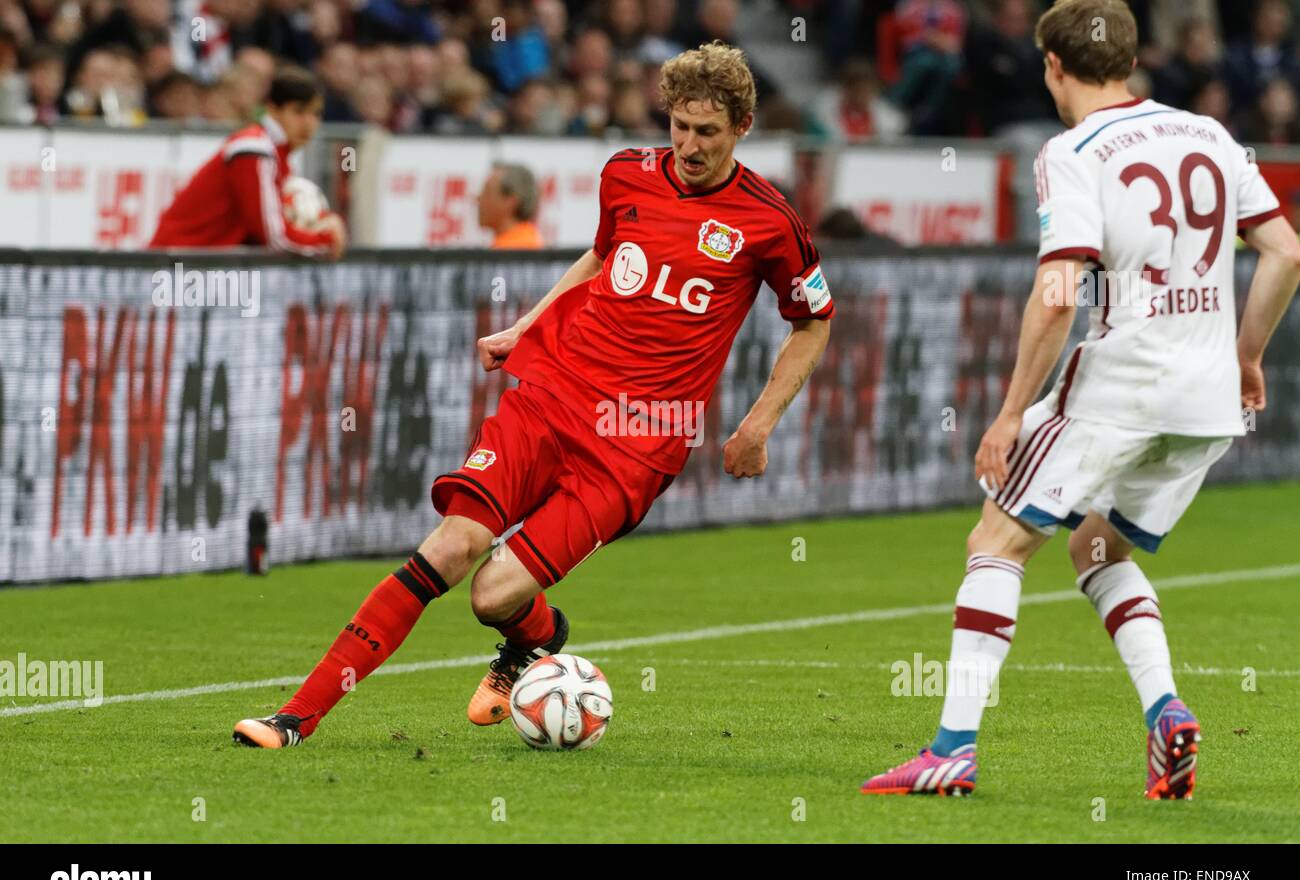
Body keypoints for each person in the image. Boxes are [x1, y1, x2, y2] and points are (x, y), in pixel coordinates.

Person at [232, 41, 834, 748]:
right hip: (554, 395)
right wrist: (528, 325)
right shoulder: (627, 175)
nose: (689, 145)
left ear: (743, 127)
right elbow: (604, 256)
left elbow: (813, 320)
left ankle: (535, 640)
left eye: (707, 131)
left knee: (494, 594)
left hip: (639, 443)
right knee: (453, 548)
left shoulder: (769, 221)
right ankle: (296, 716)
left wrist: (758, 424)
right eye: (679, 126)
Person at [861, 0, 1298, 799]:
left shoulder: (1074, 150)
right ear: (1133, 61)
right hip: (1205, 404)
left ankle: (952, 747)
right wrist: (1247, 356)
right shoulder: (1210, 134)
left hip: (1123, 385)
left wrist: (1006, 413)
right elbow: (1285, 252)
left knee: (996, 539)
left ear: (1052, 66)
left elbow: (1059, 292)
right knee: (1096, 549)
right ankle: (1166, 711)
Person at [149, 65, 346, 258]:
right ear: (273, 110)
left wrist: (323, 221)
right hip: (176, 266)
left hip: (199, 265)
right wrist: (325, 240)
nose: (309, 123)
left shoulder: (273, 155)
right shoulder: (254, 150)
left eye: (316, 114)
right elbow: (275, 238)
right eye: (299, 112)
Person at [478, 162, 545, 248]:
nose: (478, 199)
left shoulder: (518, 249)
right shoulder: (524, 243)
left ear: (510, 202)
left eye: (487, 192)